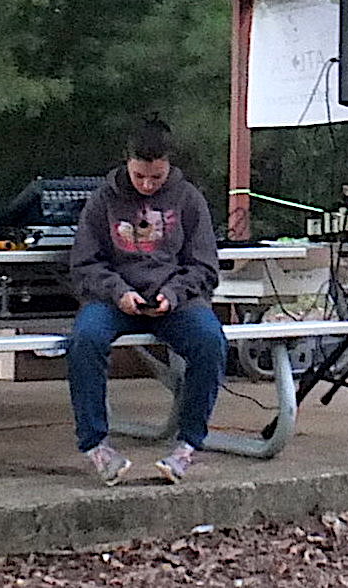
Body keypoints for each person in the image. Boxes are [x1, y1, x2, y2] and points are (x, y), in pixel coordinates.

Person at [67, 117, 225, 486]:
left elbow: (204, 266)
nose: (148, 185)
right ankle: (96, 445)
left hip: (175, 300)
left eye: (156, 177)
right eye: (140, 176)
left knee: (210, 341)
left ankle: (187, 445)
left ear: (169, 165)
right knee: (85, 340)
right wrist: (117, 291)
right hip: (112, 299)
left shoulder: (189, 199)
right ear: (128, 163)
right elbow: (85, 264)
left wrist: (173, 294)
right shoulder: (102, 200)